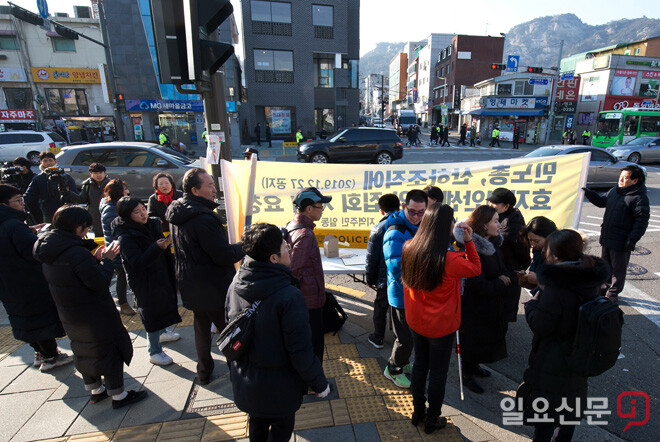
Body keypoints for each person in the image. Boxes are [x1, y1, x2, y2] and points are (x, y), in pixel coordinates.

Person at [33, 205, 146, 409]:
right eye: (86, 227)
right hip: (94, 312)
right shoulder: (76, 252)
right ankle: (119, 396)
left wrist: (94, 260)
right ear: (77, 227)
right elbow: (99, 283)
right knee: (108, 350)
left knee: (83, 349)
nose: (87, 231)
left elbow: (71, 276)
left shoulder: (49, 248)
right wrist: (108, 261)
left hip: (69, 313)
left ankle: (96, 390)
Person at [226, 223, 330, 442]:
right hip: (279, 386)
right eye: (285, 246)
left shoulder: (237, 279)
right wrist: (319, 383)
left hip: (246, 379)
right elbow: (300, 350)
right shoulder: (289, 295)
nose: (289, 248)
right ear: (274, 258)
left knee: (257, 423)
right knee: (282, 429)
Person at [520, 229, 609, 442]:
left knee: (545, 418)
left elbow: (541, 325)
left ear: (557, 255)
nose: (543, 252)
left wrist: (532, 306)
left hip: (554, 360)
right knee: (569, 414)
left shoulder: (556, 288)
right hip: (580, 356)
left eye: (547, 249)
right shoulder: (591, 276)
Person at [402, 204, 481, 434]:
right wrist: (468, 241)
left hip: (416, 320)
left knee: (419, 365)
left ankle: (418, 411)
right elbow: (476, 268)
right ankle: (433, 418)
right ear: (447, 226)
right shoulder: (451, 259)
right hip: (442, 326)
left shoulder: (409, 247)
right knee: (437, 373)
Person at [165, 168, 244, 385]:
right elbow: (222, 255)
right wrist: (244, 245)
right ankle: (237, 369)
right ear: (195, 190)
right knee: (228, 329)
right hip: (212, 285)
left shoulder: (177, 211)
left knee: (201, 326)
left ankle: (204, 370)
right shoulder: (204, 218)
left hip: (189, 282)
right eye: (209, 185)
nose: (214, 189)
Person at [0, 184, 73, 372]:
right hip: (28, 282)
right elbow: (33, 251)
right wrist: (41, 237)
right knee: (40, 318)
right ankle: (51, 356)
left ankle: (41, 353)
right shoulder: (13, 224)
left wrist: (28, 231)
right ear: (4, 205)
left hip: (8, 284)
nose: (22, 204)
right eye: (17, 201)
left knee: (23, 319)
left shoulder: (8, 224)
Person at [113, 197, 182, 366]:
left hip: (160, 274)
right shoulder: (126, 237)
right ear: (127, 216)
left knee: (163, 304)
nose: (143, 213)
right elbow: (136, 263)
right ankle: (154, 351)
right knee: (151, 313)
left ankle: (163, 331)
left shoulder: (151, 224)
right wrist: (156, 248)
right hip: (144, 281)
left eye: (143, 209)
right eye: (137, 212)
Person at [457, 205, 513, 394]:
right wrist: (500, 283)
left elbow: (503, 268)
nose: (499, 224)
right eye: (495, 221)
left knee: (483, 341)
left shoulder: (494, 243)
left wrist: (504, 278)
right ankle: (466, 374)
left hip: (490, 303)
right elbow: (476, 284)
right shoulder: (473, 248)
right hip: (474, 306)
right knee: (471, 341)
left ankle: (474, 367)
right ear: (483, 225)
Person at [382, 189, 428, 388]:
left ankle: (402, 362)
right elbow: (395, 266)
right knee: (405, 339)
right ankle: (393, 369)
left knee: (411, 336)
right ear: (403, 207)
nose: (416, 217)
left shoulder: (419, 225)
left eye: (421, 212)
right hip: (401, 294)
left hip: (414, 292)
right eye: (412, 212)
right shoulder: (395, 230)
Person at [583, 165, 649, 302]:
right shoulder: (615, 191)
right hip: (607, 237)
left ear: (635, 180)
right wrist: (589, 193)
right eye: (620, 177)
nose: (621, 180)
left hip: (622, 241)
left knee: (618, 269)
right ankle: (604, 288)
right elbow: (602, 202)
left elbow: (641, 222)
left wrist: (632, 239)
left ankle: (613, 292)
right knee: (605, 266)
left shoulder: (639, 198)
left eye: (625, 178)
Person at [286, 187, 332, 363]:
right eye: (320, 206)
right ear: (309, 208)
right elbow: (294, 269)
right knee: (314, 343)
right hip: (309, 299)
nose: (322, 210)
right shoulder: (305, 235)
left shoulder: (292, 225)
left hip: (305, 296)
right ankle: (315, 383)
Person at [487, 188, 531, 322]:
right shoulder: (498, 216)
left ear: (506, 206)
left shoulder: (513, 227)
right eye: (490, 201)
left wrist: (519, 268)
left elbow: (523, 253)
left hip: (508, 271)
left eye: (495, 203)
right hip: (498, 269)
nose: (491, 205)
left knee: (503, 311)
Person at [365, 193, 401, 349]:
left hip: (384, 278)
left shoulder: (378, 228)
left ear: (381, 210)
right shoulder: (407, 225)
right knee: (399, 308)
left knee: (381, 306)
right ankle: (400, 339)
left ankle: (378, 337)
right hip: (402, 276)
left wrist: (369, 279)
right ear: (399, 207)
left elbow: (371, 258)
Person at [100, 179, 135, 316]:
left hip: (121, 247)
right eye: (124, 189)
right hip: (117, 249)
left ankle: (133, 301)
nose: (127, 191)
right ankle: (123, 303)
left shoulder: (114, 205)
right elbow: (118, 230)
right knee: (122, 276)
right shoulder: (111, 209)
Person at [23, 151, 79, 223]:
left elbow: (75, 194)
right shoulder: (38, 178)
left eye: (50, 160)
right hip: (48, 212)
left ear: (55, 161)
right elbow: (30, 195)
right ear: (41, 162)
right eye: (45, 161)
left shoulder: (65, 176)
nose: (48, 163)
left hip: (67, 210)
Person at [518, 216, 557, 294]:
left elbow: (561, 287)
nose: (533, 244)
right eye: (530, 240)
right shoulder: (537, 251)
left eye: (536, 241)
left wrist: (539, 280)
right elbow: (533, 280)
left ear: (549, 237)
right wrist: (524, 280)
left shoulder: (560, 254)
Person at [79, 163, 109, 237]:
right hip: (94, 216)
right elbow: (82, 200)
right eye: (95, 173)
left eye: (101, 173)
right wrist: (68, 193)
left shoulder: (110, 184)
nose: (98, 175)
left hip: (108, 215)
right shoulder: (87, 185)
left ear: (104, 173)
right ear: (91, 174)